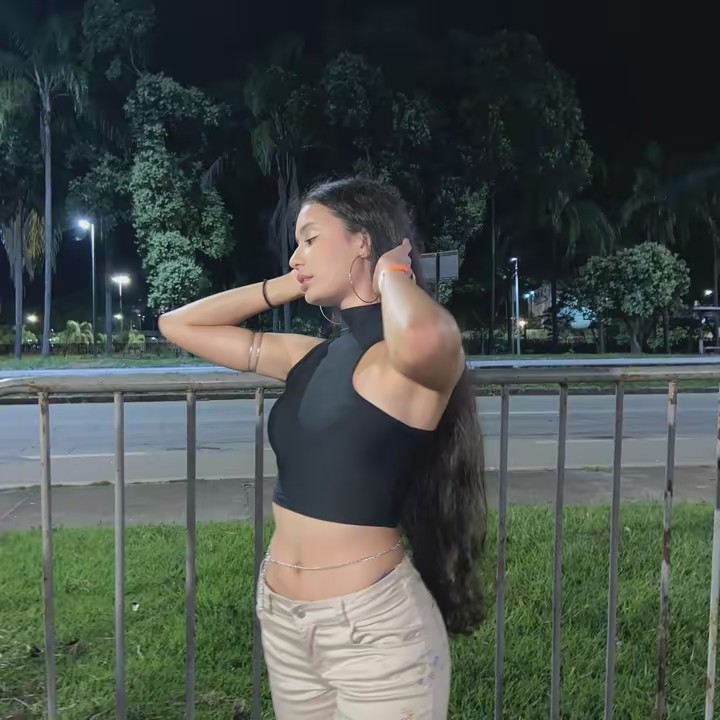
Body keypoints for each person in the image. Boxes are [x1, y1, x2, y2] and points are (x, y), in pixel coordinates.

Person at [159, 177, 487, 719]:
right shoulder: (309, 357)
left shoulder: (406, 365)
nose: (296, 255)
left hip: (374, 629)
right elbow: (178, 324)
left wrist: (392, 273)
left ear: (362, 242)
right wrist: (288, 284)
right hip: (284, 618)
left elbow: (426, 337)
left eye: (310, 239)